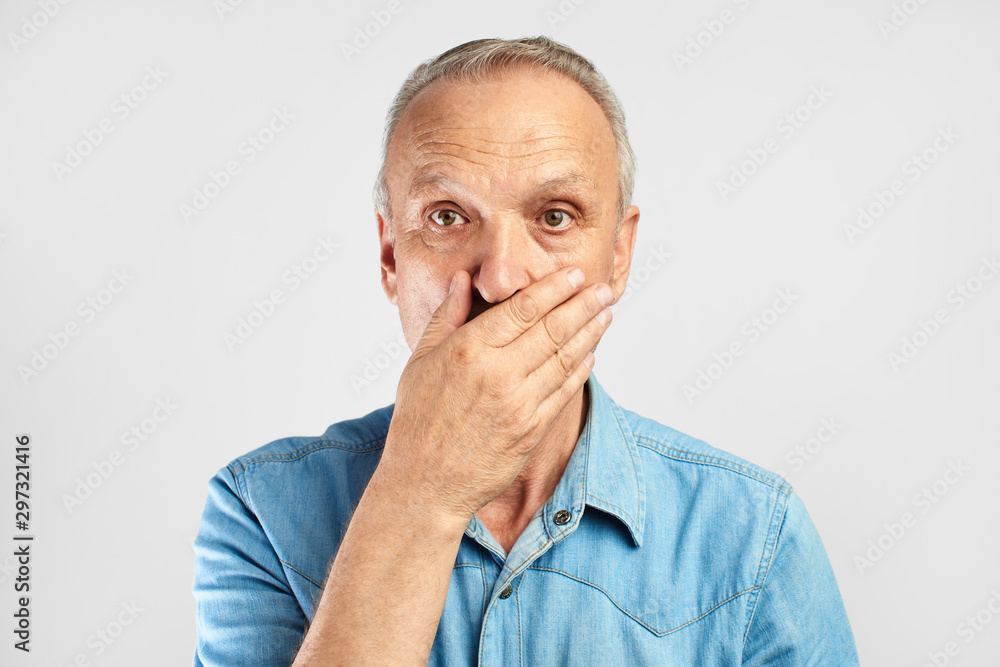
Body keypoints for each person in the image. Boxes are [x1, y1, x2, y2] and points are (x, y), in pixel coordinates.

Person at [193, 36, 859, 665]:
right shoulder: (262, 511)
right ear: (391, 256)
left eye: (555, 216)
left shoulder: (756, 536)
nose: (501, 278)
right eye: (447, 217)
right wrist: (422, 489)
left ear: (619, 254)